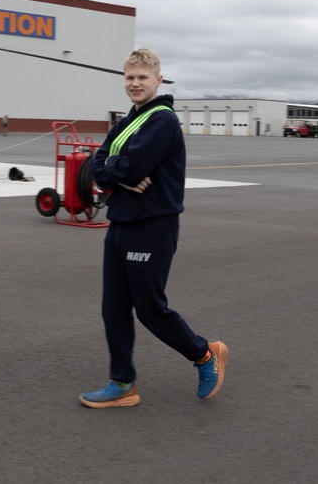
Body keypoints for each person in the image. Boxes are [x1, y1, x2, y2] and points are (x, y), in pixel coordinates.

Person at [80, 48, 227, 408]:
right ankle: (122, 382)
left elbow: (124, 170)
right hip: (120, 223)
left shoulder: (161, 120)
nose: (135, 83)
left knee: (149, 308)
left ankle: (205, 354)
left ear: (158, 80)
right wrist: (119, 173)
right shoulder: (129, 119)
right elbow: (95, 167)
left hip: (152, 226)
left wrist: (118, 173)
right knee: (112, 308)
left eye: (142, 77)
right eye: (130, 77)